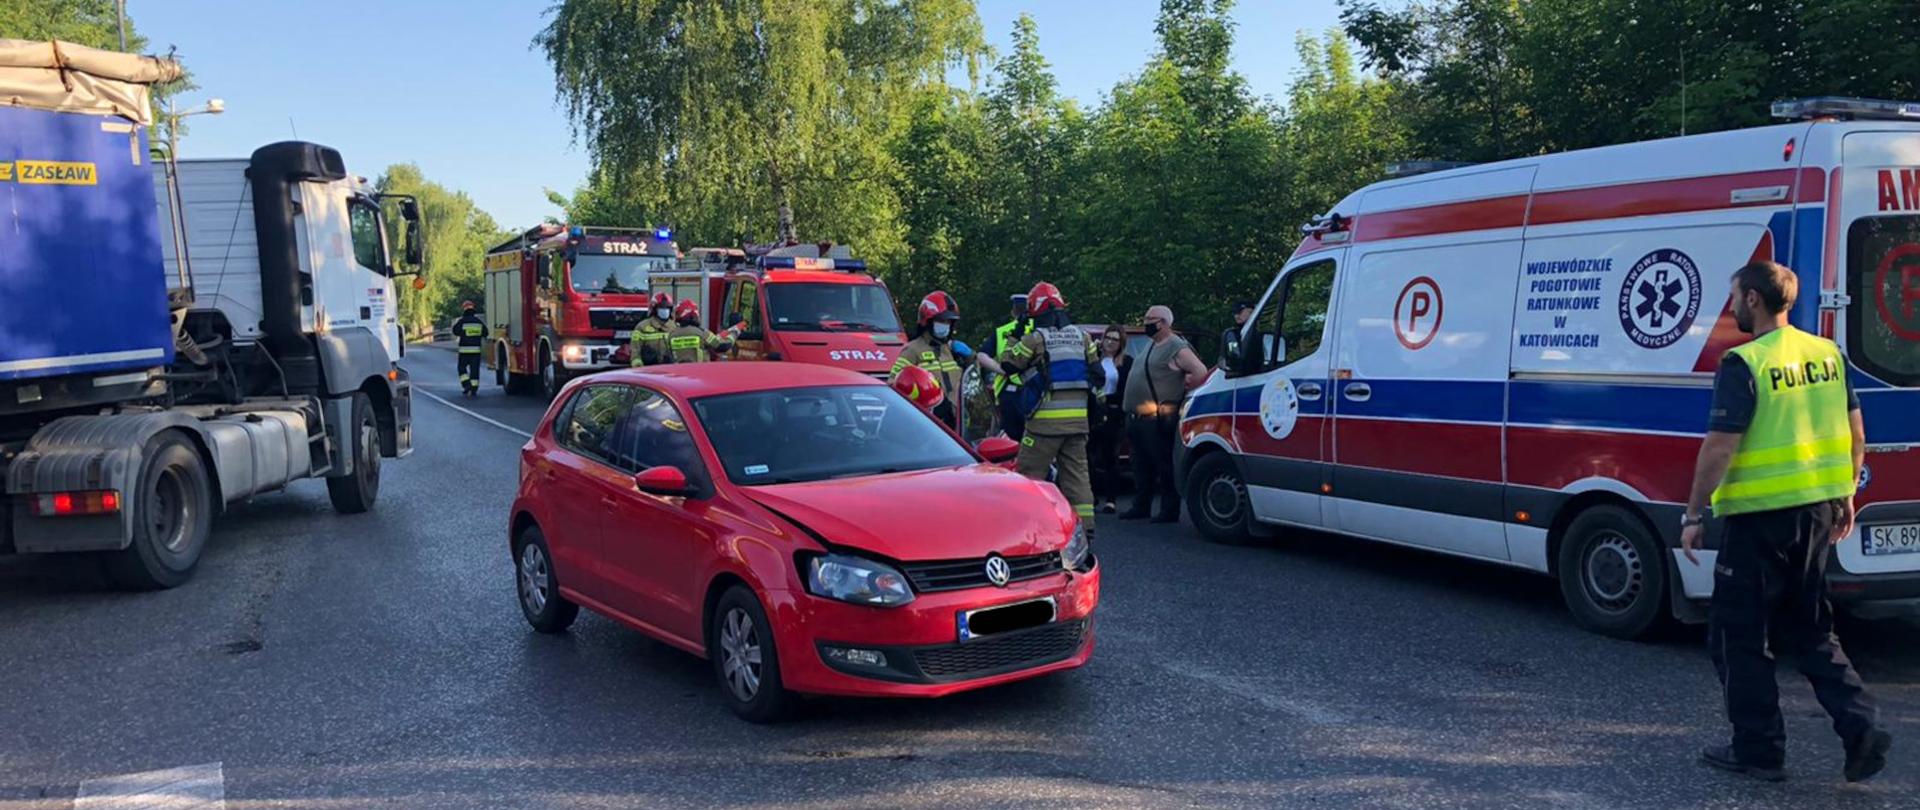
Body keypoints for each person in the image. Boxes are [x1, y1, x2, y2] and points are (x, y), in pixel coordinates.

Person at [1679, 260, 1890, 784]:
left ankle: (1758, 750)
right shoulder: (1828, 354)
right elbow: (1856, 432)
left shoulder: (1744, 362)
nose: (1732, 306)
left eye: (1735, 296)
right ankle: (1862, 727)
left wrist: (1693, 513)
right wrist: (1846, 492)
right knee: (1811, 630)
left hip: (1758, 522)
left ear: (1753, 298)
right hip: (1816, 515)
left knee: (1739, 636)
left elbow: (1720, 447)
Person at [997, 282, 1104, 541]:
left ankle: (1024, 531)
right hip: (1077, 425)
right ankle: (1086, 529)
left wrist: (1017, 332)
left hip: (1043, 427)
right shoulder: (1083, 337)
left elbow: (1008, 363)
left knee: (1028, 479)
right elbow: (1098, 375)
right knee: (1078, 478)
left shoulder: (1036, 338)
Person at [1120, 305, 1210, 523]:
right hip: (1137, 418)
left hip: (1156, 418)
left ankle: (1169, 510)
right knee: (1140, 465)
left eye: (1149, 319)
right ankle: (1141, 505)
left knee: (1163, 464)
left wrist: (1185, 391)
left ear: (1164, 323)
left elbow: (1200, 371)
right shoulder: (1152, 344)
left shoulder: (1176, 346)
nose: (1145, 323)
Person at [890, 291, 1000, 435]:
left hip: (958, 422)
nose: (946, 325)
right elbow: (894, 384)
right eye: (941, 321)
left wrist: (970, 357)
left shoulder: (952, 350)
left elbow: (973, 378)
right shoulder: (912, 350)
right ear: (927, 321)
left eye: (949, 322)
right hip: (929, 422)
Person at [1090, 324, 1133, 514]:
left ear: (1121, 343)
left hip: (1113, 413)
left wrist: (1109, 400)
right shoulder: (1093, 359)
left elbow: (1126, 389)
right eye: (1107, 338)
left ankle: (1111, 500)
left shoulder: (1126, 362)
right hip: (1093, 412)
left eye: (1115, 339)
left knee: (1110, 457)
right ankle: (1090, 496)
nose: (1110, 342)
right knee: (1088, 456)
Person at [990, 294, 1031, 441]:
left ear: (1013, 311)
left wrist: (1002, 370)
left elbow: (982, 356)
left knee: (1010, 439)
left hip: (1008, 391)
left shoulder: (1002, 331)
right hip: (1035, 389)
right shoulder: (1041, 328)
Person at [665, 299, 735, 364]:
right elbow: (722, 346)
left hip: (679, 372)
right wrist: (733, 334)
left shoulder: (672, 335)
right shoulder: (702, 333)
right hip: (700, 371)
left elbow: (667, 358)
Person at [628, 292, 675, 367]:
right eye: (661, 307)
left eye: (667, 308)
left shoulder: (675, 327)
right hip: (648, 369)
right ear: (654, 309)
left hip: (669, 369)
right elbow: (635, 350)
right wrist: (638, 366)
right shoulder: (642, 327)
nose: (665, 310)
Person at [453, 301, 486, 398]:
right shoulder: (478, 322)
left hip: (464, 351)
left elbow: (455, 331)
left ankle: (466, 385)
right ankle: (474, 388)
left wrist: (464, 333)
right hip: (476, 351)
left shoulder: (462, 321)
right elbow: (486, 333)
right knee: (474, 370)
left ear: (464, 309)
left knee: (461, 368)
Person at [1219, 301, 1253, 366]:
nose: (1236, 316)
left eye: (1240, 312)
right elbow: (1234, 356)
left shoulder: (1256, 333)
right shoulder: (1233, 334)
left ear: (1251, 311)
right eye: (1235, 313)